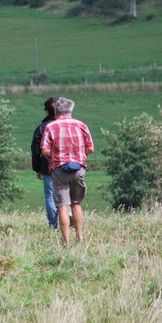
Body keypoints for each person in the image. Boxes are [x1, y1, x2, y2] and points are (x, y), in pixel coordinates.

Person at [41, 97, 94, 247]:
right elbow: (90, 148)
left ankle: (66, 241)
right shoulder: (81, 125)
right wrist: (77, 156)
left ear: (56, 110)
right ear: (71, 110)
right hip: (78, 168)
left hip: (59, 169)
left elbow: (45, 150)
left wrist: (56, 157)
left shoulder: (51, 127)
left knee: (63, 205)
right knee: (76, 204)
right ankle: (80, 236)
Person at [31, 97, 58, 229]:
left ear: (46, 112)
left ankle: (53, 224)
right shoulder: (67, 125)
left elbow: (35, 150)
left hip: (47, 166)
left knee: (50, 196)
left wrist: (37, 169)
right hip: (67, 165)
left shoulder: (41, 128)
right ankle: (67, 220)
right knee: (66, 194)